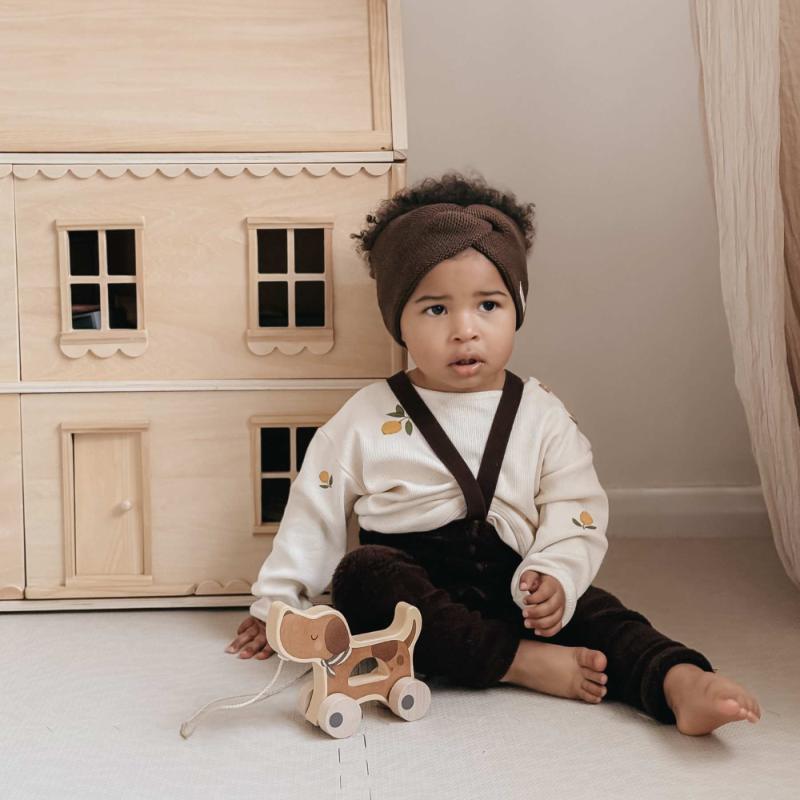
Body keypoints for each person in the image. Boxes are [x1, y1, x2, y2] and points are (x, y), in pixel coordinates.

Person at [226, 172, 761, 736]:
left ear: (516, 308)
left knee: (599, 611)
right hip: (415, 596)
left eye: (488, 304)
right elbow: (315, 508)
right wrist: (277, 606)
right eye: (435, 309)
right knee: (362, 577)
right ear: (397, 319)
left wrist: (554, 574)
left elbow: (575, 505)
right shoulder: (366, 416)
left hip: (517, 581)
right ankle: (517, 662)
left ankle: (680, 681)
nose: (465, 330)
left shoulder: (541, 413)